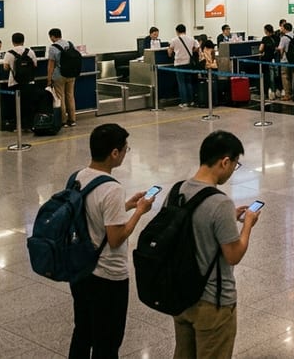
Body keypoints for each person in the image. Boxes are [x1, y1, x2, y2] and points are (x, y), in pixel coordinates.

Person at [172, 131, 260, 359]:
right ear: (225, 162)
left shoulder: (177, 191)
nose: (232, 171)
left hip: (181, 297)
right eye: (235, 165)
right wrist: (247, 224)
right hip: (213, 303)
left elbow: (194, 225)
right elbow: (233, 255)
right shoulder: (219, 203)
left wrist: (228, 218)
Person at [68, 124, 153, 359]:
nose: (126, 153)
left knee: (83, 331)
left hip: (80, 270)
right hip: (107, 276)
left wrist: (126, 206)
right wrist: (139, 212)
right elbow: (115, 238)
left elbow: (88, 213)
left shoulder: (78, 177)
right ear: (114, 153)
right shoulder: (112, 188)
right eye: (125, 149)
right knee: (107, 341)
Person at [47, 28, 78, 127]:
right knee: (70, 96)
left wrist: (49, 79)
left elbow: (51, 65)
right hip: (71, 74)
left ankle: (63, 121)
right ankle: (72, 120)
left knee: (61, 97)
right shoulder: (69, 44)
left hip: (59, 75)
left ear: (52, 36)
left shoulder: (52, 48)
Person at [170, 24, 200, 109]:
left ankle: (184, 102)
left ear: (177, 31)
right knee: (188, 82)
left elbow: (170, 50)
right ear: (185, 30)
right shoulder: (191, 38)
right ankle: (191, 101)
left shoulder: (174, 40)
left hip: (179, 63)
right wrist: (191, 51)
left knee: (181, 83)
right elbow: (197, 47)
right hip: (188, 63)